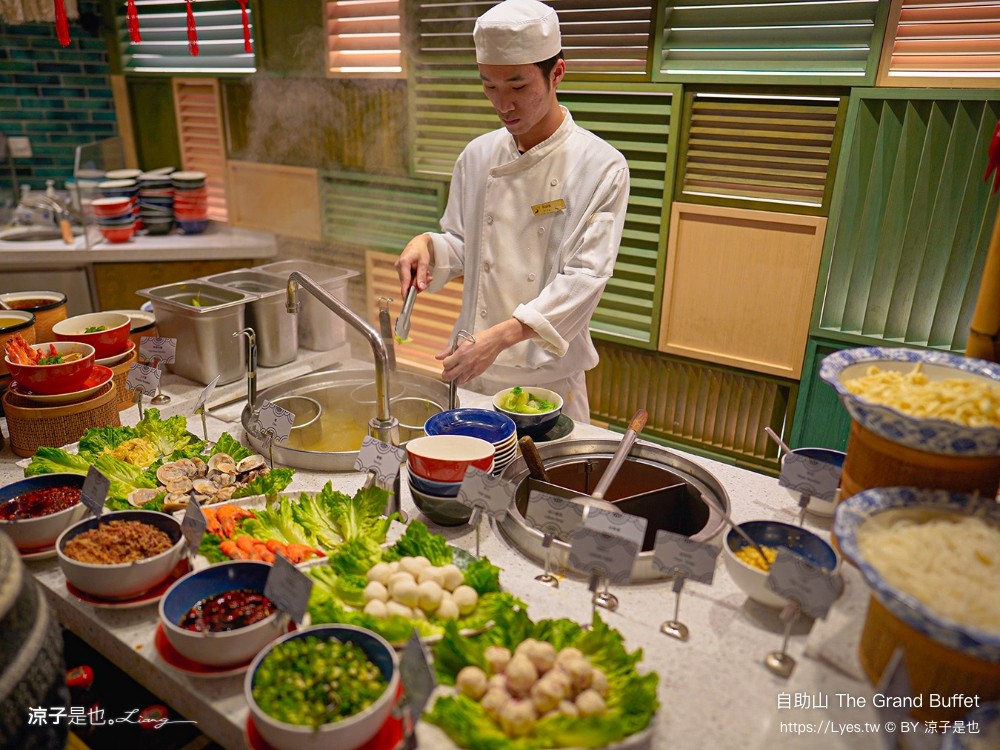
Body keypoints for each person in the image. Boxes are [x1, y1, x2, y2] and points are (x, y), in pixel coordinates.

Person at [395, 0, 629, 423]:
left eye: (518, 87)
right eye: (490, 86)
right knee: (470, 485)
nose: (503, 104)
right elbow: (468, 245)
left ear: (556, 73)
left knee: (540, 487)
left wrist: (501, 337)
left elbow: (585, 277)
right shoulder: (477, 154)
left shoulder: (601, 165)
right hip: (472, 371)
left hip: (547, 381)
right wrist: (427, 245)